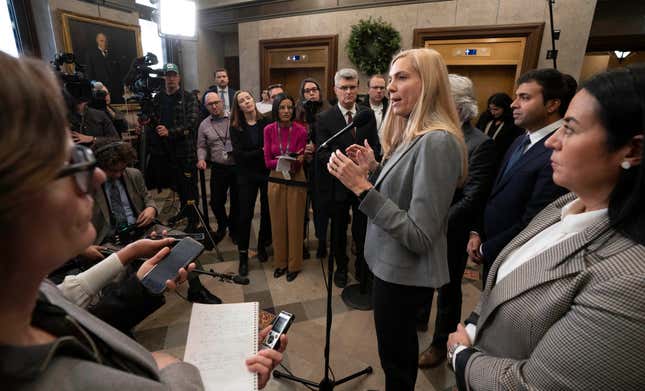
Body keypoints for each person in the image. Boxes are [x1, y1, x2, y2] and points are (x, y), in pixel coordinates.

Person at [0, 52, 285, 390]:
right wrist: (174, 370)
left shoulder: (32, 295)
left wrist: (133, 264)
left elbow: (66, 300)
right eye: (71, 160)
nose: (98, 179)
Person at [448, 66, 645, 391]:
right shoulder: (563, 204)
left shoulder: (630, 280)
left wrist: (461, 356)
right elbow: (504, 281)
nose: (552, 141)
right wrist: (472, 326)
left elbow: (536, 384)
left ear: (632, 150)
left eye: (570, 128)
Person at [328, 48, 467, 390]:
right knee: (393, 354)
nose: (390, 87)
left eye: (402, 77)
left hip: (403, 274)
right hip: (389, 265)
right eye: (390, 79)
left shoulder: (437, 141)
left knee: (398, 364)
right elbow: (403, 195)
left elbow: (419, 233)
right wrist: (374, 171)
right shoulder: (413, 133)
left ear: (430, 83)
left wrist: (362, 188)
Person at [417, 74, 497, 368]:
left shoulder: (480, 144)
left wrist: (435, 224)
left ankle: (441, 345)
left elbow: (472, 198)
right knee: (423, 280)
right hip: (425, 226)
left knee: (448, 291)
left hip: (450, 232)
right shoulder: (434, 134)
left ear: (460, 106)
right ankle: (419, 319)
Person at [467, 69, 572, 281]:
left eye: (524, 98)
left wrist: (488, 248)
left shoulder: (559, 150)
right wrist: (478, 232)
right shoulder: (520, 139)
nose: (514, 104)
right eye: (516, 97)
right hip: (492, 246)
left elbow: (536, 219)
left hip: (518, 257)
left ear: (552, 104)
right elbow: (495, 191)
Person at [89, 140, 221, 305]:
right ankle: (120, 316)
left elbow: (147, 198)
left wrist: (151, 208)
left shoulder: (133, 174)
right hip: (110, 239)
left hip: (142, 229)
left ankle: (197, 290)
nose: (117, 175)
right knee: (114, 278)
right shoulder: (88, 185)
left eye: (121, 170)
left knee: (186, 244)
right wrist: (84, 248)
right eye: (112, 171)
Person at [316, 68, 379, 288]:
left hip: (363, 183)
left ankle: (363, 269)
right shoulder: (324, 118)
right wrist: (346, 164)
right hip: (338, 185)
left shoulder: (366, 114)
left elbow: (375, 146)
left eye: (352, 87)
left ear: (358, 88)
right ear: (335, 90)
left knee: (362, 231)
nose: (349, 92)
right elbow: (322, 153)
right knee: (339, 231)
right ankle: (341, 268)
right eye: (344, 88)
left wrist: (368, 163)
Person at [147, 63, 200, 231]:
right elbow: (154, 118)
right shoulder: (158, 98)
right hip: (166, 152)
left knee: (190, 186)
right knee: (177, 185)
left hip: (185, 151)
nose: (170, 78)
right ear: (164, 77)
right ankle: (184, 211)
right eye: (167, 75)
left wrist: (169, 132)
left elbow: (191, 123)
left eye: (173, 75)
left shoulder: (188, 97)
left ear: (178, 77)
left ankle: (194, 218)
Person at [263, 94, 308, 281]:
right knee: (278, 222)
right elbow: (267, 162)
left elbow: (298, 163)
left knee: (295, 222)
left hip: (296, 177)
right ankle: (280, 263)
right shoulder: (268, 130)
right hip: (275, 177)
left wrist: (297, 160)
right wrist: (283, 161)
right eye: (282, 107)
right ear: (276, 109)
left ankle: (294, 265)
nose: (286, 111)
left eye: (290, 107)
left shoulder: (301, 130)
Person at [230, 90, 272, 275]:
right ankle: (243, 255)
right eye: (241, 101)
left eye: (248, 98)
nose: (246, 102)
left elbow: (269, 150)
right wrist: (261, 151)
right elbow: (239, 156)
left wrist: (258, 152)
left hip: (265, 172)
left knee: (266, 212)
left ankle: (262, 245)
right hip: (246, 175)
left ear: (253, 100)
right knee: (245, 215)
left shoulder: (266, 122)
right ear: (238, 106)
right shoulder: (236, 126)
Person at [197, 92, 239, 244]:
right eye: (210, 104)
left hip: (236, 167)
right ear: (206, 107)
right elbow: (201, 146)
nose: (214, 106)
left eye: (216, 102)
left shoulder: (234, 118)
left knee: (237, 200)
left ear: (222, 102)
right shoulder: (204, 125)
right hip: (218, 168)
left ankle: (234, 229)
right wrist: (201, 159)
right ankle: (223, 225)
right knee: (215, 201)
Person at [295, 77, 329, 259]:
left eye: (314, 89)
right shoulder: (296, 113)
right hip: (302, 167)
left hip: (320, 168)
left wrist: (317, 146)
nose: (311, 93)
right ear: (303, 94)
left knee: (320, 207)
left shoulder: (328, 112)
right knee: (301, 207)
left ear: (319, 92)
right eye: (307, 91)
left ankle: (322, 241)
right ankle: (301, 243)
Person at [476, 92, 523, 162]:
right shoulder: (485, 117)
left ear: (505, 108)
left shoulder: (514, 123)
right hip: (480, 156)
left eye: (496, 109)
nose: (492, 112)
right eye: (490, 109)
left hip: (500, 159)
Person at [85, 32, 124, 104]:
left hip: (115, 91)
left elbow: (118, 73)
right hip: (100, 91)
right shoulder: (91, 54)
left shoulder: (113, 54)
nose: (104, 43)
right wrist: (96, 85)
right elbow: (89, 74)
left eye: (106, 41)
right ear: (97, 41)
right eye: (102, 41)